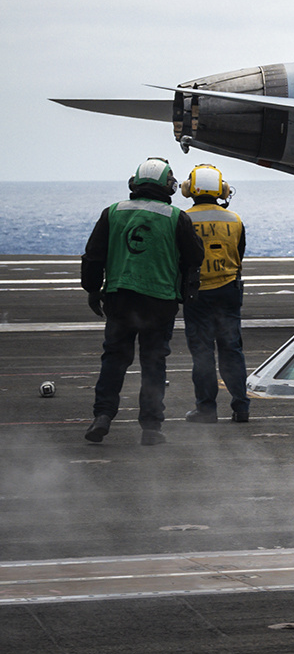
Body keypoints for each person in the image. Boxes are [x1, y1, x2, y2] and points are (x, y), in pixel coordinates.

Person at [81, 157, 203, 445]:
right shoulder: (176, 217)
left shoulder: (113, 212)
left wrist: (92, 289)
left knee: (114, 359)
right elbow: (195, 258)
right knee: (153, 363)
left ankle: (103, 416)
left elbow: (93, 255)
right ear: (168, 186)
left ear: (134, 184)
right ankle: (151, 427)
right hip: (159, 302)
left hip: (120, 298)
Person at [180, 164, 249, 424]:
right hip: (228, 291)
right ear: (222, 189)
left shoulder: (184, 218)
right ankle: (241, 407)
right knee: (231, 350)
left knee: (202, 353)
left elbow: (181, 258)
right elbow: (239, 254)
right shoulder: (234, 219)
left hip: (197, 294)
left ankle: (206, 409)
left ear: (190, 190)